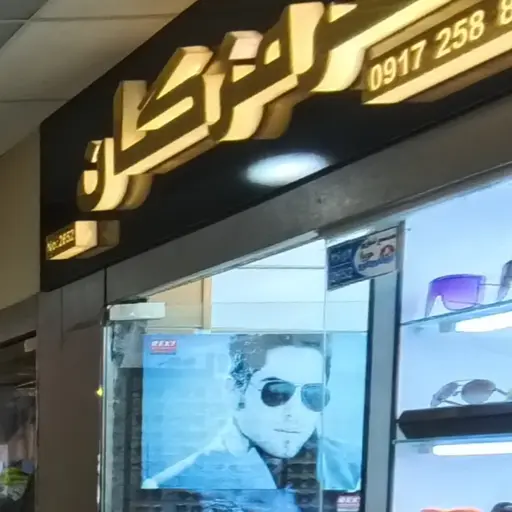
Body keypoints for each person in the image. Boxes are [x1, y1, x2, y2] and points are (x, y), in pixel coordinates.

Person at [143, 334, 361, 511]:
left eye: (313, 395)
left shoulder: (355, 469)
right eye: (276, 392)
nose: (295, 413)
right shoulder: (177, 483)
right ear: (235, 392)